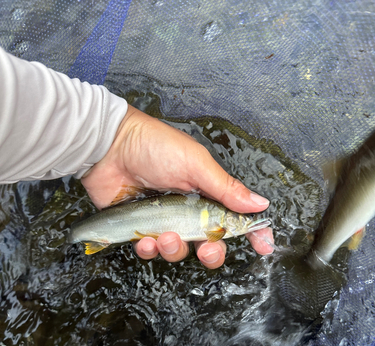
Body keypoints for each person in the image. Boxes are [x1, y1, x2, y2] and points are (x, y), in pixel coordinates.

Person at [0, 47, 274, 268]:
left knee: (154, 243)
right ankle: (72, 236)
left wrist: (113, 138)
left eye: (245, 221)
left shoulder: (218, 226)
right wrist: (113, 137)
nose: (247, 222)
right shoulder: (217, 226)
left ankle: (72, 236)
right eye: (244, 220)